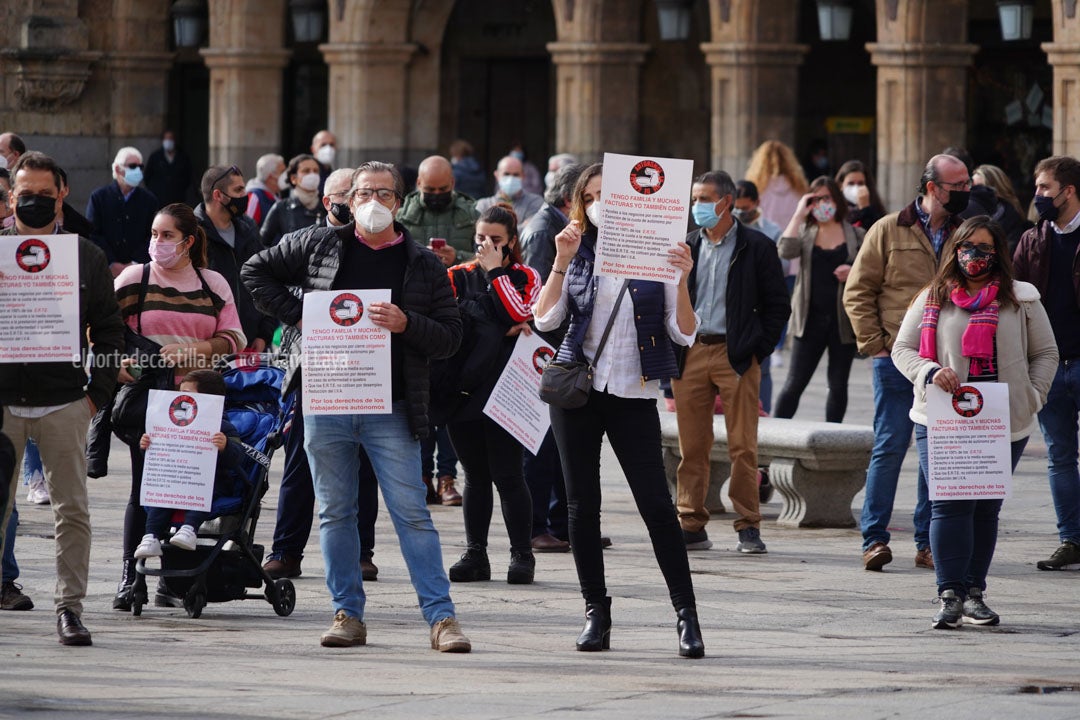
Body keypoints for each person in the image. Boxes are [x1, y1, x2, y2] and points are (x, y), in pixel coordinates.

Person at [242, 161, 471, 652]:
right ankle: (347, 613)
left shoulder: (422, 263)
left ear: (399, 201)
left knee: (412, 512)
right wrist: (305, 314)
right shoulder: (318, 244)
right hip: (327, 399)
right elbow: (254, 270)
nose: (373, 202)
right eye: (364, 192)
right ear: (347, 199)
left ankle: (442, 619)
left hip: (391, 405)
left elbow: (451, 338)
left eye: (384, 194)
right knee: (335, 512)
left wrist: (407, 323)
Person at [532, 163, 705, 658]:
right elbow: (545, 318)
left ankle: (686, 616)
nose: (599, 202)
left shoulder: (658, 252)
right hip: (578, 390)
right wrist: (561, 261)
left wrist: (682, 278)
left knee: (656, 504)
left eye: (608, 194)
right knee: (581, 507)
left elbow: (684, 332)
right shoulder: (576, 249)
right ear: (579, 204)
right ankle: (596, 613)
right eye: (590, 196)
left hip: (633, 390)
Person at [892, 216, 1057, 627]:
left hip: (1002, 419)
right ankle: (949, 593)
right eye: (967, 247)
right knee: (948, 504)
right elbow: (903, 349)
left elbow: (1046, 353)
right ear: (955, 250)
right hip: (943, 417)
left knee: (984, 508)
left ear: (997, 252)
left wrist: (1032, 395)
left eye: (983, 249)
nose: (973, 256)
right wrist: (929, 371)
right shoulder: (932, 297)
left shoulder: (1021, 299)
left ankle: (974, 592)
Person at [0, 151, 125, 645]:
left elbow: (110, 331)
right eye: (24, 194)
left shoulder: (86, 257)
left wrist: (96, 396)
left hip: (64, 404)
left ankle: (69, 608)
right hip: (2, 403)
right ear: (11, 196)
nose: (34, 202)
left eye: (44, 195)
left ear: (62, 195)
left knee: (71, 510)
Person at [111, 202, 247, 609]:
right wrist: (120, 367)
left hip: (199, 403)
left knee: (189, 486)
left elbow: (235, 337)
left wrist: (197, 349)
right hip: (148, 404)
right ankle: (129, 577)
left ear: (188, 241)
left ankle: (170, 579)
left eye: (167, 235)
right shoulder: (136, 277)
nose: (157, 242)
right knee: (145, 487)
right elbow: (101, 330)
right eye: (154, 234)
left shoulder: (213, 283)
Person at [843, 153, 971, 571]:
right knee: (891, 446)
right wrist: (876, 346)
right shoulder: (887, 229)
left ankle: (926, 541)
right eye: (958, 186)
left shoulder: (964, 232)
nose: (966, 192)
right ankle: (874, 539)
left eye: (967, 184)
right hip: (897, 359)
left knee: (935, 451)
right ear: (933, 188)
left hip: (946, 363)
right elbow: (858, 292)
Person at [261, 167, 382, 583]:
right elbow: (258, 275)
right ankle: (286, 551)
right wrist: (302, 314)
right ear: (331, 202)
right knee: (301, 461)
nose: (361, 204)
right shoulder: (304, 242)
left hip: (367, 367)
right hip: (316, 366)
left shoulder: (381, 241)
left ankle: (362, 553)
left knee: (364, 465)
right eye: (353, 196)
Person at [671, 171, 790, 554]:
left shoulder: (756, 246)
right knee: (692, 445)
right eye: (694, 199)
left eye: (704, 198)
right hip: (690, 352)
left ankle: (748, 525)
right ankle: (690, 522)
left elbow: (777, 306)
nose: (697, 206)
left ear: (726, 201)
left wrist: (757, 350)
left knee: (743, 445)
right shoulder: (686, 245)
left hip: (735, 354)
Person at [439, 206, 541, 584]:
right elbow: (451, 320)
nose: (486, 245)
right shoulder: (455, 275)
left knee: (509, 474)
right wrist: (497, 326)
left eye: (496, 240)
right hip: (462, 387)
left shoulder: (524, 274)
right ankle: (475, 552)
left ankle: (522, 554)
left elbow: (522, 311)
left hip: (507, 389)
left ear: (511, 241)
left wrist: (496, 272)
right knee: (474, 476)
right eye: (481, 238)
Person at [1012, 155, 1080, 571]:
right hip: (1049, 366)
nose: (1037, 196)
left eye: (1044, 188)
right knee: (1059, 456)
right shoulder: (1032, 240)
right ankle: (1071, 539)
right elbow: (1014, 297)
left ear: (1068, 191)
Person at [520, 162, 585, 552]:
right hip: (548, 350)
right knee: (542, 447)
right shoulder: (546, 230)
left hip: (562, 350)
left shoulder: (558, 225)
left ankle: (562, 524)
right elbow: (540, 294)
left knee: (563, 445)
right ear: (569, 198)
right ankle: (537, 526)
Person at [773, 177, 864, 422]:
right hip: (809, 319)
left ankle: (832, 441)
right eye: (817, 199)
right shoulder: (805, 231)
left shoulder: (856, 234)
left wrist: (852, 271)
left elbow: (872, 271)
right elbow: (785, 251)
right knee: (794, 384)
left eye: (827, 198)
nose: (823, 203)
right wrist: (798, 214)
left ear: (837, 200)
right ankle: (773, 439)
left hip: (842, 321)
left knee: (837, 385)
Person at [134, 370, 249, 558]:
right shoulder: (171, 424)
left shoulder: (223, 426)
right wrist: (146, 447)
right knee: (162, 494)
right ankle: (151, 536)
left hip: (212, 482)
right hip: (176, 478)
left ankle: (189, 529)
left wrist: (226, 446)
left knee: (200, 489)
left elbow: (238, 457)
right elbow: (158, 456)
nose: (182, 398)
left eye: (188, 394)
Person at [195, 165, 277, 353]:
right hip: (209, 344)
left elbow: (265, 279)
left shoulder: (248, 227)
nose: (245, 195)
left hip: (252, 342)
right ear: (218, 195)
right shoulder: (193, 232)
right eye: (238, 190)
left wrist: (264, 334)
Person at [733, 179, 783, 413]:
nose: (740, 213)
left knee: (761, 367)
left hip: (759, 306)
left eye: (745, 208)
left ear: (756, 203)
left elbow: (778, 272)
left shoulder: (771, 231)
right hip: (734, 305)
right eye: (736, 207)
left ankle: (763, 411)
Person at [86, 147, 162, 276]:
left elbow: (154, 236)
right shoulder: (99, 197)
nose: (137, 170)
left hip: (140, 272)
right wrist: (110, 262)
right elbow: (92, 234)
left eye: (140, 166)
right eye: (132, 166)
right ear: (117, 169)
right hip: (105, 271)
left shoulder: (149, 200)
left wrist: (134, 263)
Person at [398, 155, 480, 270]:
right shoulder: (402, 218)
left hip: (459, 284)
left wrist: (458, 257)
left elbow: (487, 260)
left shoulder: (473, 216)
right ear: (419, 183)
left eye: (442, 189)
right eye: (430, 189)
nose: (436, 194)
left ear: (452, 183)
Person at [260, 154, 327, 247]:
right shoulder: (282, 207)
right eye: (306, 171)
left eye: (316, 171)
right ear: (293, 178)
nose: (313, 175)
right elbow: (261, 243)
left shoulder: (327, 205)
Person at [966, 164, 1032, 254]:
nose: (974, 192)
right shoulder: (965, 214)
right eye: (972, 187)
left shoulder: (1012, 221)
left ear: (996, 191)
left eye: (980, 187)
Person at [476, 155, 544, 225]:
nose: (511, 178)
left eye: (516, 175)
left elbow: (531, 230)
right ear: (497, 175)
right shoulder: (483, 204)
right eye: (506, 174)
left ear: (523, 176)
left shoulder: (536, 202)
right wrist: (522, 226)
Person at [144, 130, 194, 206]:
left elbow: (188, 176)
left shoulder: (183, 157)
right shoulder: (155, 157)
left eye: (170, 138)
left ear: (174, 140)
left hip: (177, 199)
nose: (168, 141)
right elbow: (147, 176)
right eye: (166, 139)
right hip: (159, 199)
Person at [835, 160, 887, 230]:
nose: (856, 187)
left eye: (860, 183)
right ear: (841, 185)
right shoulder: (835, 209)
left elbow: (877, 233)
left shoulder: (876, 210)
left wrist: (866, 210)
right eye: (851, 183)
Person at [245, 153, 286, 228]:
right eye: (282, 171)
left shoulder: (276, 195)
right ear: (270, 176)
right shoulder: (255, 197)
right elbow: (248, 229)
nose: (286, 175)